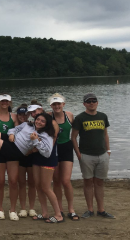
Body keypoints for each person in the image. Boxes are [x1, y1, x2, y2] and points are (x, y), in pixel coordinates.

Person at [72, 93, 115, 219]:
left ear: (97, 102)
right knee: (88, 181)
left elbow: (105, 134)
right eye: (88, 101)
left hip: (102, 154)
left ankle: (101, 210)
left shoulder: (103, 116)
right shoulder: (80, 118)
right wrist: (78, 154)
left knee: (100, 182)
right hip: (86, 155)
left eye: (94, 100)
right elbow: (73, 137)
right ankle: (90, 209)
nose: (91, 103)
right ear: (84, 104)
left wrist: (108, 150)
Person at [26, 104, 63, 223]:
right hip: (37, 159)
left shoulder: (48, 132)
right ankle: (45, 212)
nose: (39, 122)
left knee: (46, 187)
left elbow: (47, 152)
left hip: (48, 159)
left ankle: (58, 214)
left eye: (42, 121)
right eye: (37, 120)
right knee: (38, 186)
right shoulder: (35, 129)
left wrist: (36, 141)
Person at [0, 94, 20, 220]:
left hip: (12, 150)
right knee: (0, 181)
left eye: (6, 101)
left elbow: (18, 132)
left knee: (13, 181)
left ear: (10, 102)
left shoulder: (14, 117)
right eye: (2, 101)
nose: (4, 103)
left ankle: (13, 209)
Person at [48, 93, 78, 221]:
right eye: (54, 104)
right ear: (51, 106)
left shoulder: (69, 115)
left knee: (66, 180)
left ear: (63, 104)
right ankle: (59, 208)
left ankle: (71, 209)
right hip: (53, 149)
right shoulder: (49, 116)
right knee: (56, 181)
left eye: (59, 104)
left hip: (66, 148)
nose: (57, 106)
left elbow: (76, 133)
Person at [14, 105, 36, 218]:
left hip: (31, 156)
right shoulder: (15, 126)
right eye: (20, 114)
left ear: (28, 114)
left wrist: (31, 151)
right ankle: (23, 208)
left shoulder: (32, 125)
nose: (23, 116)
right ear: (17, 115)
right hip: (20, 157)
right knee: (21, 183)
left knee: (32, 183)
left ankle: (31, 208)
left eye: (25, 114)